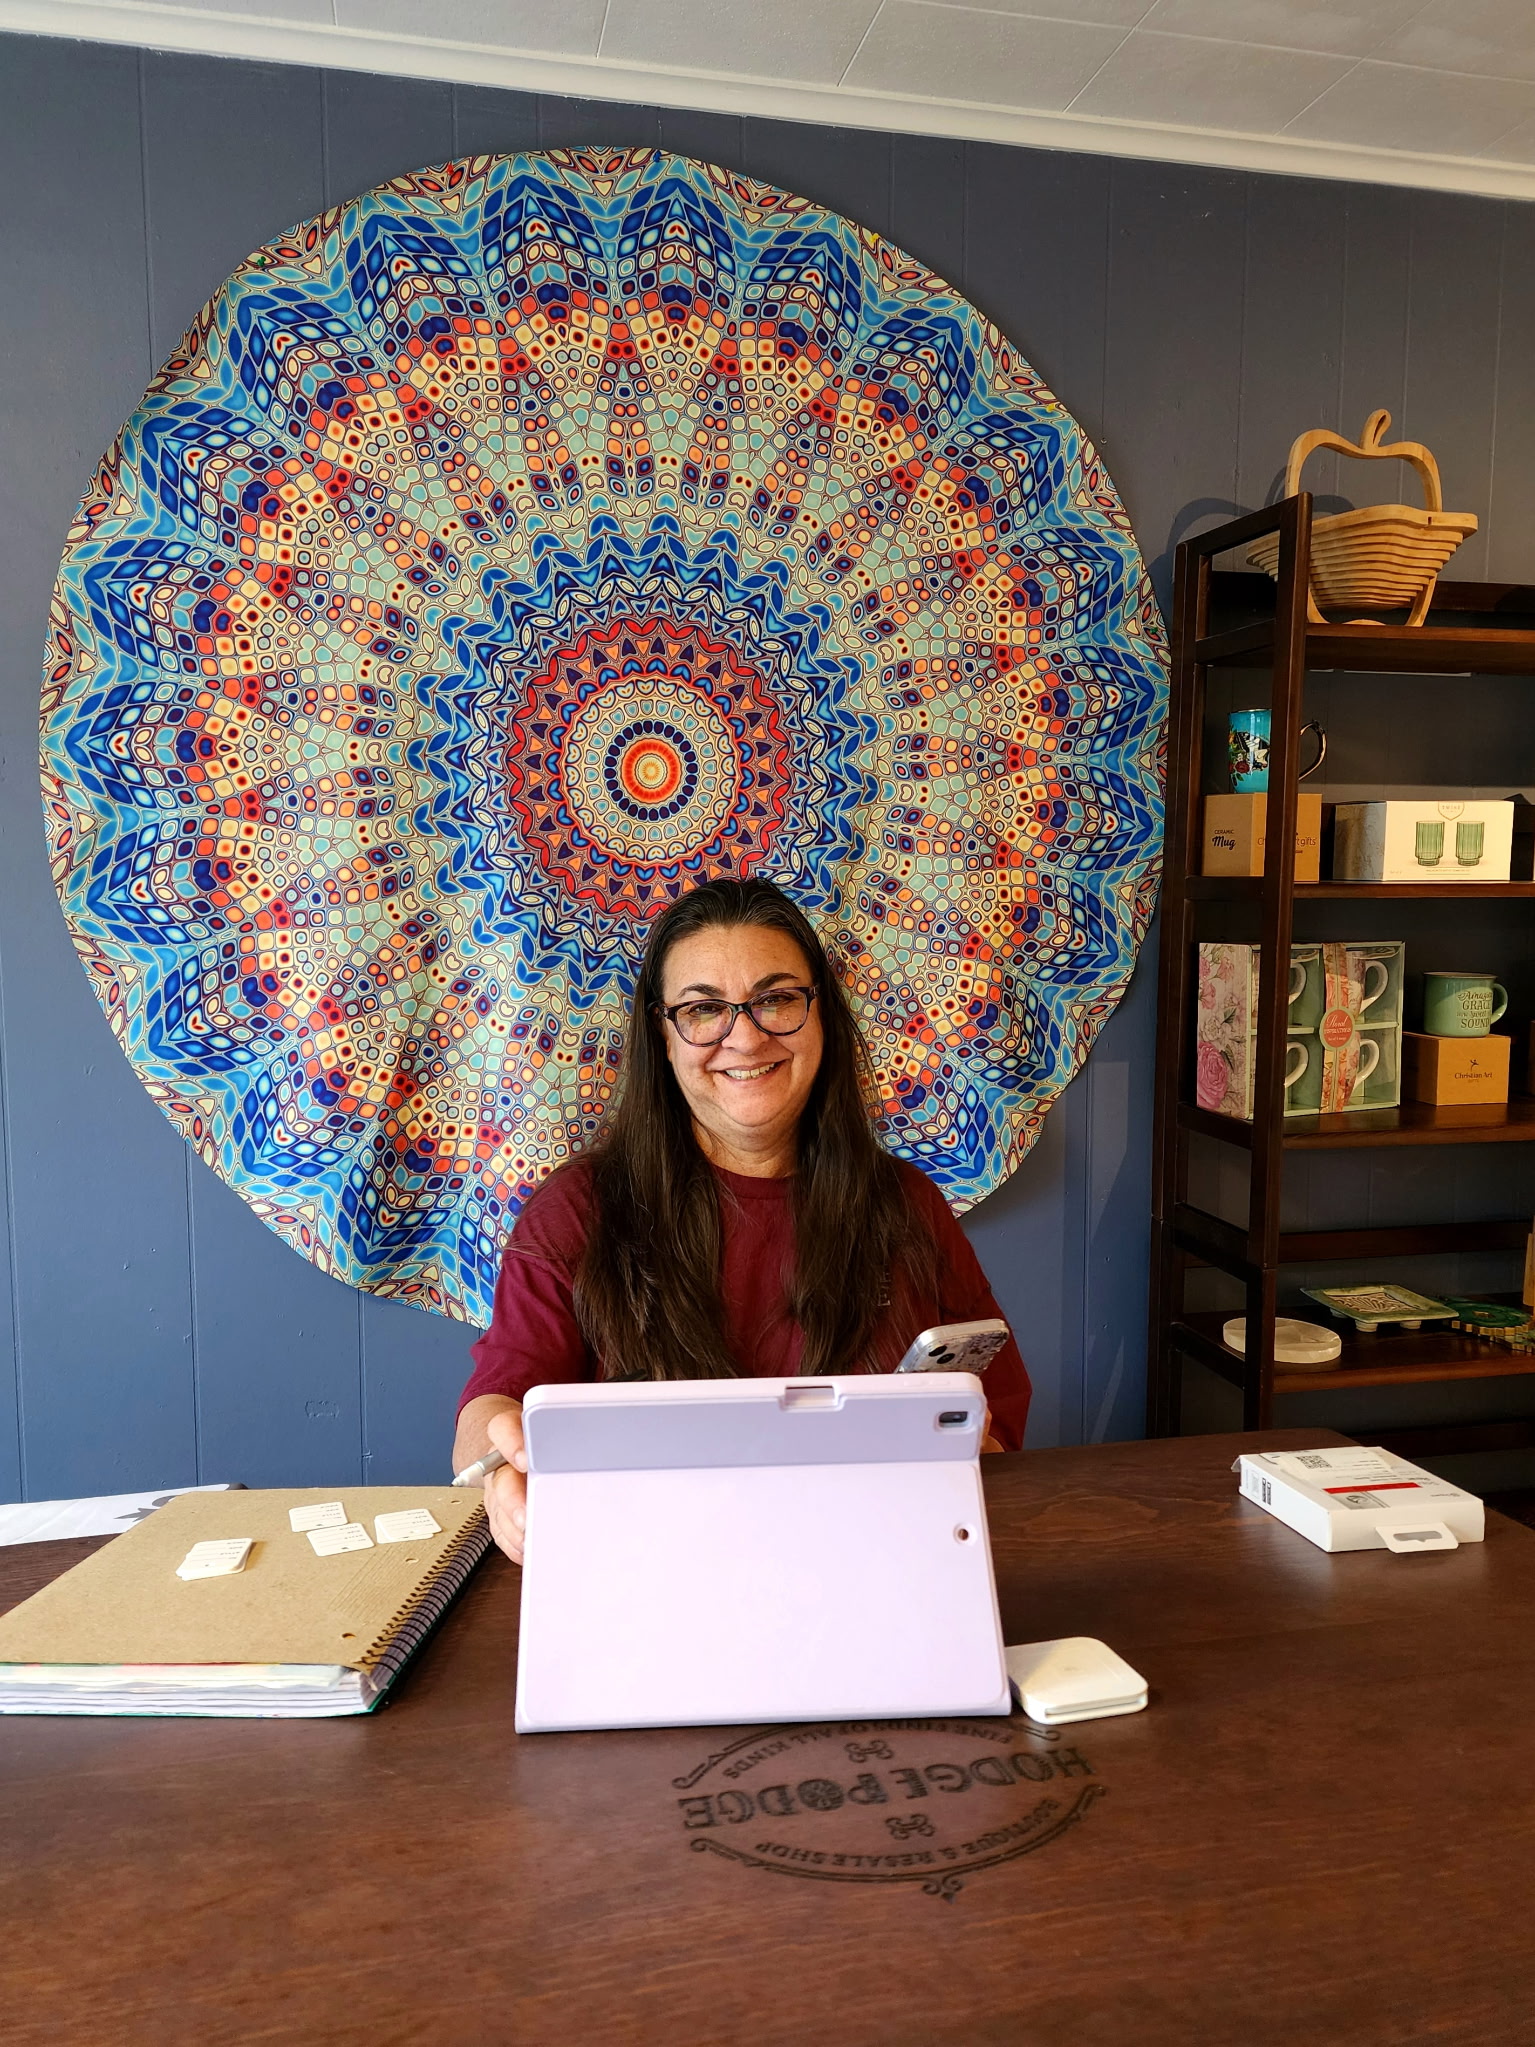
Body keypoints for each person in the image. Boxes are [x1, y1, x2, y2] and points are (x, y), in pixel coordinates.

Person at [453, 877, 1031, 1561]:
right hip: (652, 1577)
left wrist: (973, 1443)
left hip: (878, 1565)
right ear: (661, 1036)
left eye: (777, 998)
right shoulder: (577, 1211)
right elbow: (488, 1411)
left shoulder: (906, 1202)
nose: (744, 1036)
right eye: (702, 1009)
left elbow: (995, 1423)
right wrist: (506, 1465)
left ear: (822, 1017)